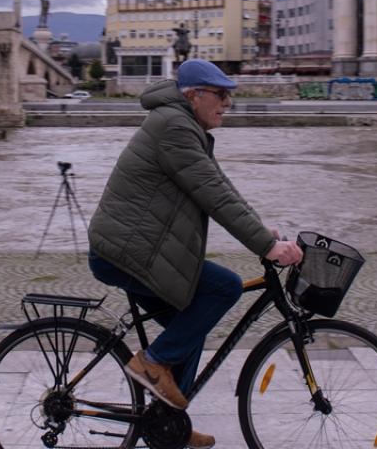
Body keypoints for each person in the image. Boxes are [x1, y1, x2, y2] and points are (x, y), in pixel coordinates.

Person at [87, 59, 302, 449]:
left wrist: (261, 230)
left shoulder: (183, 125)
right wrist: (267, 247)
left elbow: (220, 185)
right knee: (224, 287)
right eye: (221, 94)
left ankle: (169, 426)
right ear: (194, 95)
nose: (228, 103)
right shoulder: (174, 127)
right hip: (125, 251)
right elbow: (213, 195)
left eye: (229, 95)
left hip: (141, 248)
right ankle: (152, 364)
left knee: (192, 326)